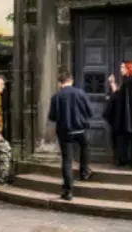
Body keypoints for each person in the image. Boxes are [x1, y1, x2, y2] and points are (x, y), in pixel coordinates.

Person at [48, 69, 93, 201]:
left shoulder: (56, 97)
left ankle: (68, 191)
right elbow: (89, 112)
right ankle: (84, 171)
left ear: (59, 83)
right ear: (71, 80)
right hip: (80, 129)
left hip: (65, 132)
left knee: (67, 160)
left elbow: (52, 117)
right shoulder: (81, 93)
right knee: (85, 146)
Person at [103, 61, 132, 168]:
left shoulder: (128, 83)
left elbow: (119, 97)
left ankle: (126, 160)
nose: (121, 70)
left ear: (129, 69)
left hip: (127, 118)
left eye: (123, 67)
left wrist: (112, 86)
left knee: (126, 138)